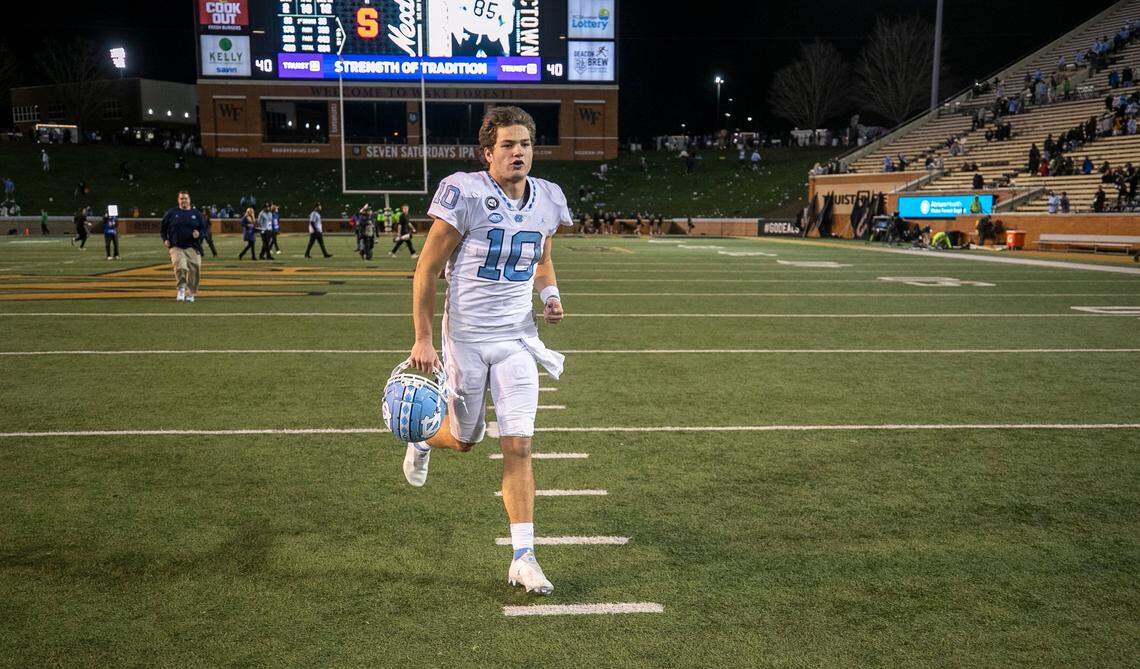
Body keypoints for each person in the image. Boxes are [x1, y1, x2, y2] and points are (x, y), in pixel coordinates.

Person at [404, 106, 571, 596]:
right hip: (468, 340)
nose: (517, 152)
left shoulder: (547, 199)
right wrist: (423, 338)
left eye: (524, 144)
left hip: (518, 338)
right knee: (465, 438)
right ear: (488, 153)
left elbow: (542, 260)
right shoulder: (467, 192)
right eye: (507, 145)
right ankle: (422, 438)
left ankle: (524, 556)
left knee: (518, 443)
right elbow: (427, 268)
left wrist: (550, 297)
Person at [159, 191, 206, 302]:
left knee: (195, 268)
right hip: (176, 246)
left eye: (185, 198)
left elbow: (204, 229)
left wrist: (199, 234)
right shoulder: (171, 213)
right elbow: (163, 229)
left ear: (189, 200)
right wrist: (165, 239)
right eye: (181, 198)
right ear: (178, 200)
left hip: (193, 246)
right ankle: (181, 288)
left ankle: (191, 293)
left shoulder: (197, 214)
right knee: (180, 266)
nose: (183, 200)